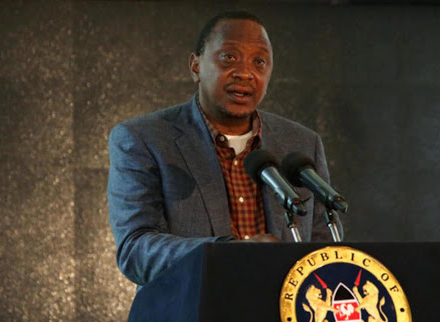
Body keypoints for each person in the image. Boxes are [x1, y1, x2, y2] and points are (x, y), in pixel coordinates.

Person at [108, 11, 342, 288]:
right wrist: (228, 254)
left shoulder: (302, 144)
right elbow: (136, 251)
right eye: (229, 57)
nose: (245, 72)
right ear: (195, 66)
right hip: (195, 319)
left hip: (281, 321)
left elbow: (325, 251)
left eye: (259, 62)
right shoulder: (144, 138)